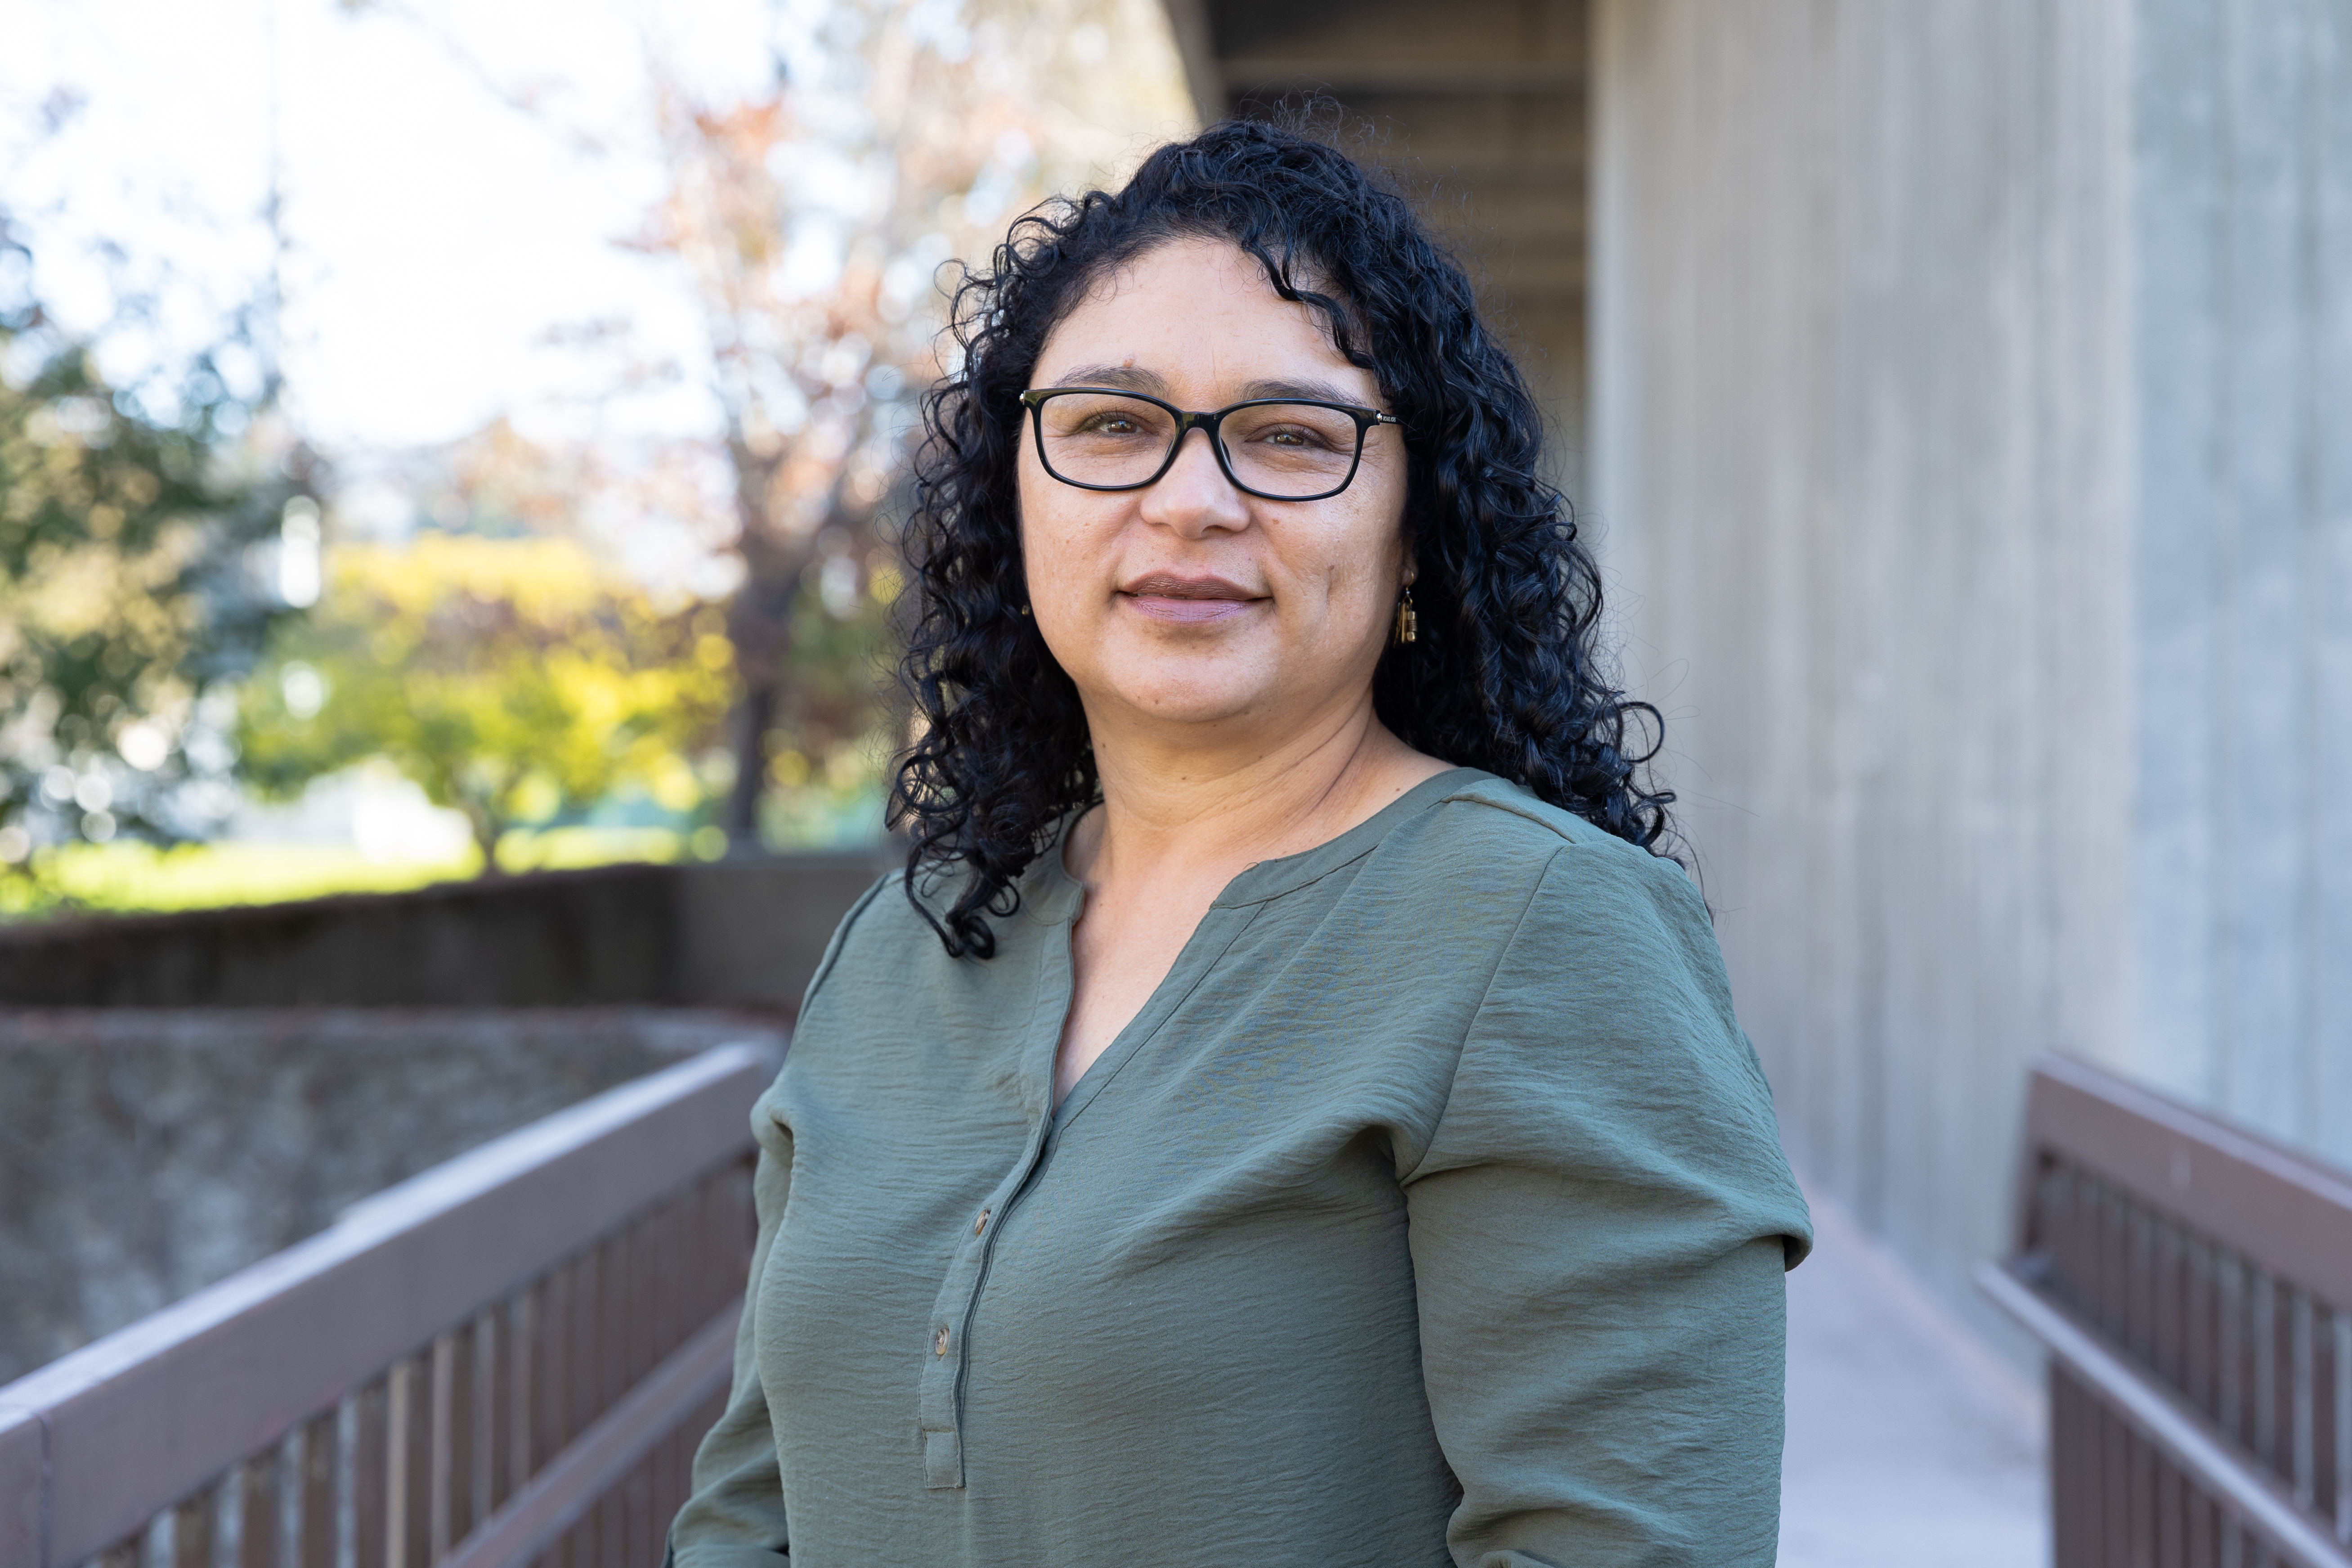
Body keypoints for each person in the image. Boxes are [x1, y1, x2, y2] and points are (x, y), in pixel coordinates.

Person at [667, 118, 1811, 1568]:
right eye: (1109, 424)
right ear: (1014, 495)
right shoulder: (909, 944)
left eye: (1289, 436)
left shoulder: (1542, 931)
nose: (1190, 500)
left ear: (1416, 530)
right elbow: (746, 1517)